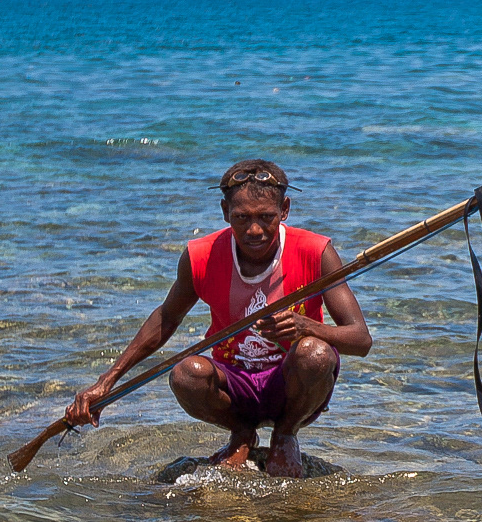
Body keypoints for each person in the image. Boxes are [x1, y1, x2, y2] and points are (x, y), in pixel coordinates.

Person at [64, 159, 372, 477]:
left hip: (291, 386)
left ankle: (285, 434)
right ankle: (240, 432)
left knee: (315, 351)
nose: (254, 230)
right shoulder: (202, 256)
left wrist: (306, 327)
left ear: (285, 210)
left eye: (266, 217)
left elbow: (360, 340)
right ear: (225, 211)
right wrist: (105, 384)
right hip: (234, 385)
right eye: (241, 218)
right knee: (186, 374)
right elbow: (167, 317)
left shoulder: (315, 251)